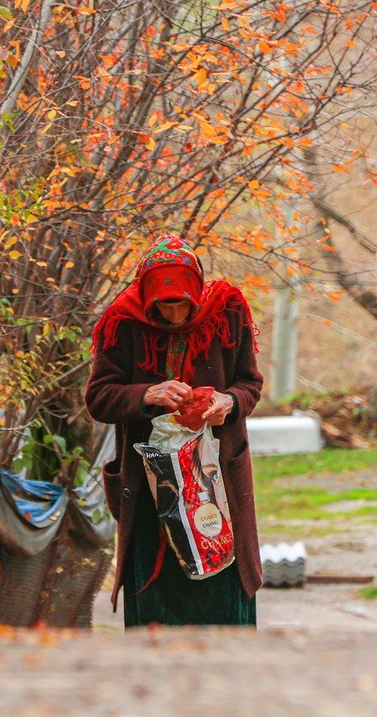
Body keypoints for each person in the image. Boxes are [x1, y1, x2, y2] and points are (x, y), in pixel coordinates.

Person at [84, 234, 263, 626]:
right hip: (152, 491)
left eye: (183, 302)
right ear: (147, 296)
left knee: (223, 603)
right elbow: (98, 398)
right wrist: (147, 393)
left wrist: (227, 403)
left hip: (218, 487)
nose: (176, 313)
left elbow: (250, 384)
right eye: (164, 305)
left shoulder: (227, 313)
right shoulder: (122, 323)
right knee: (157, 607)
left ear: (197, 293)